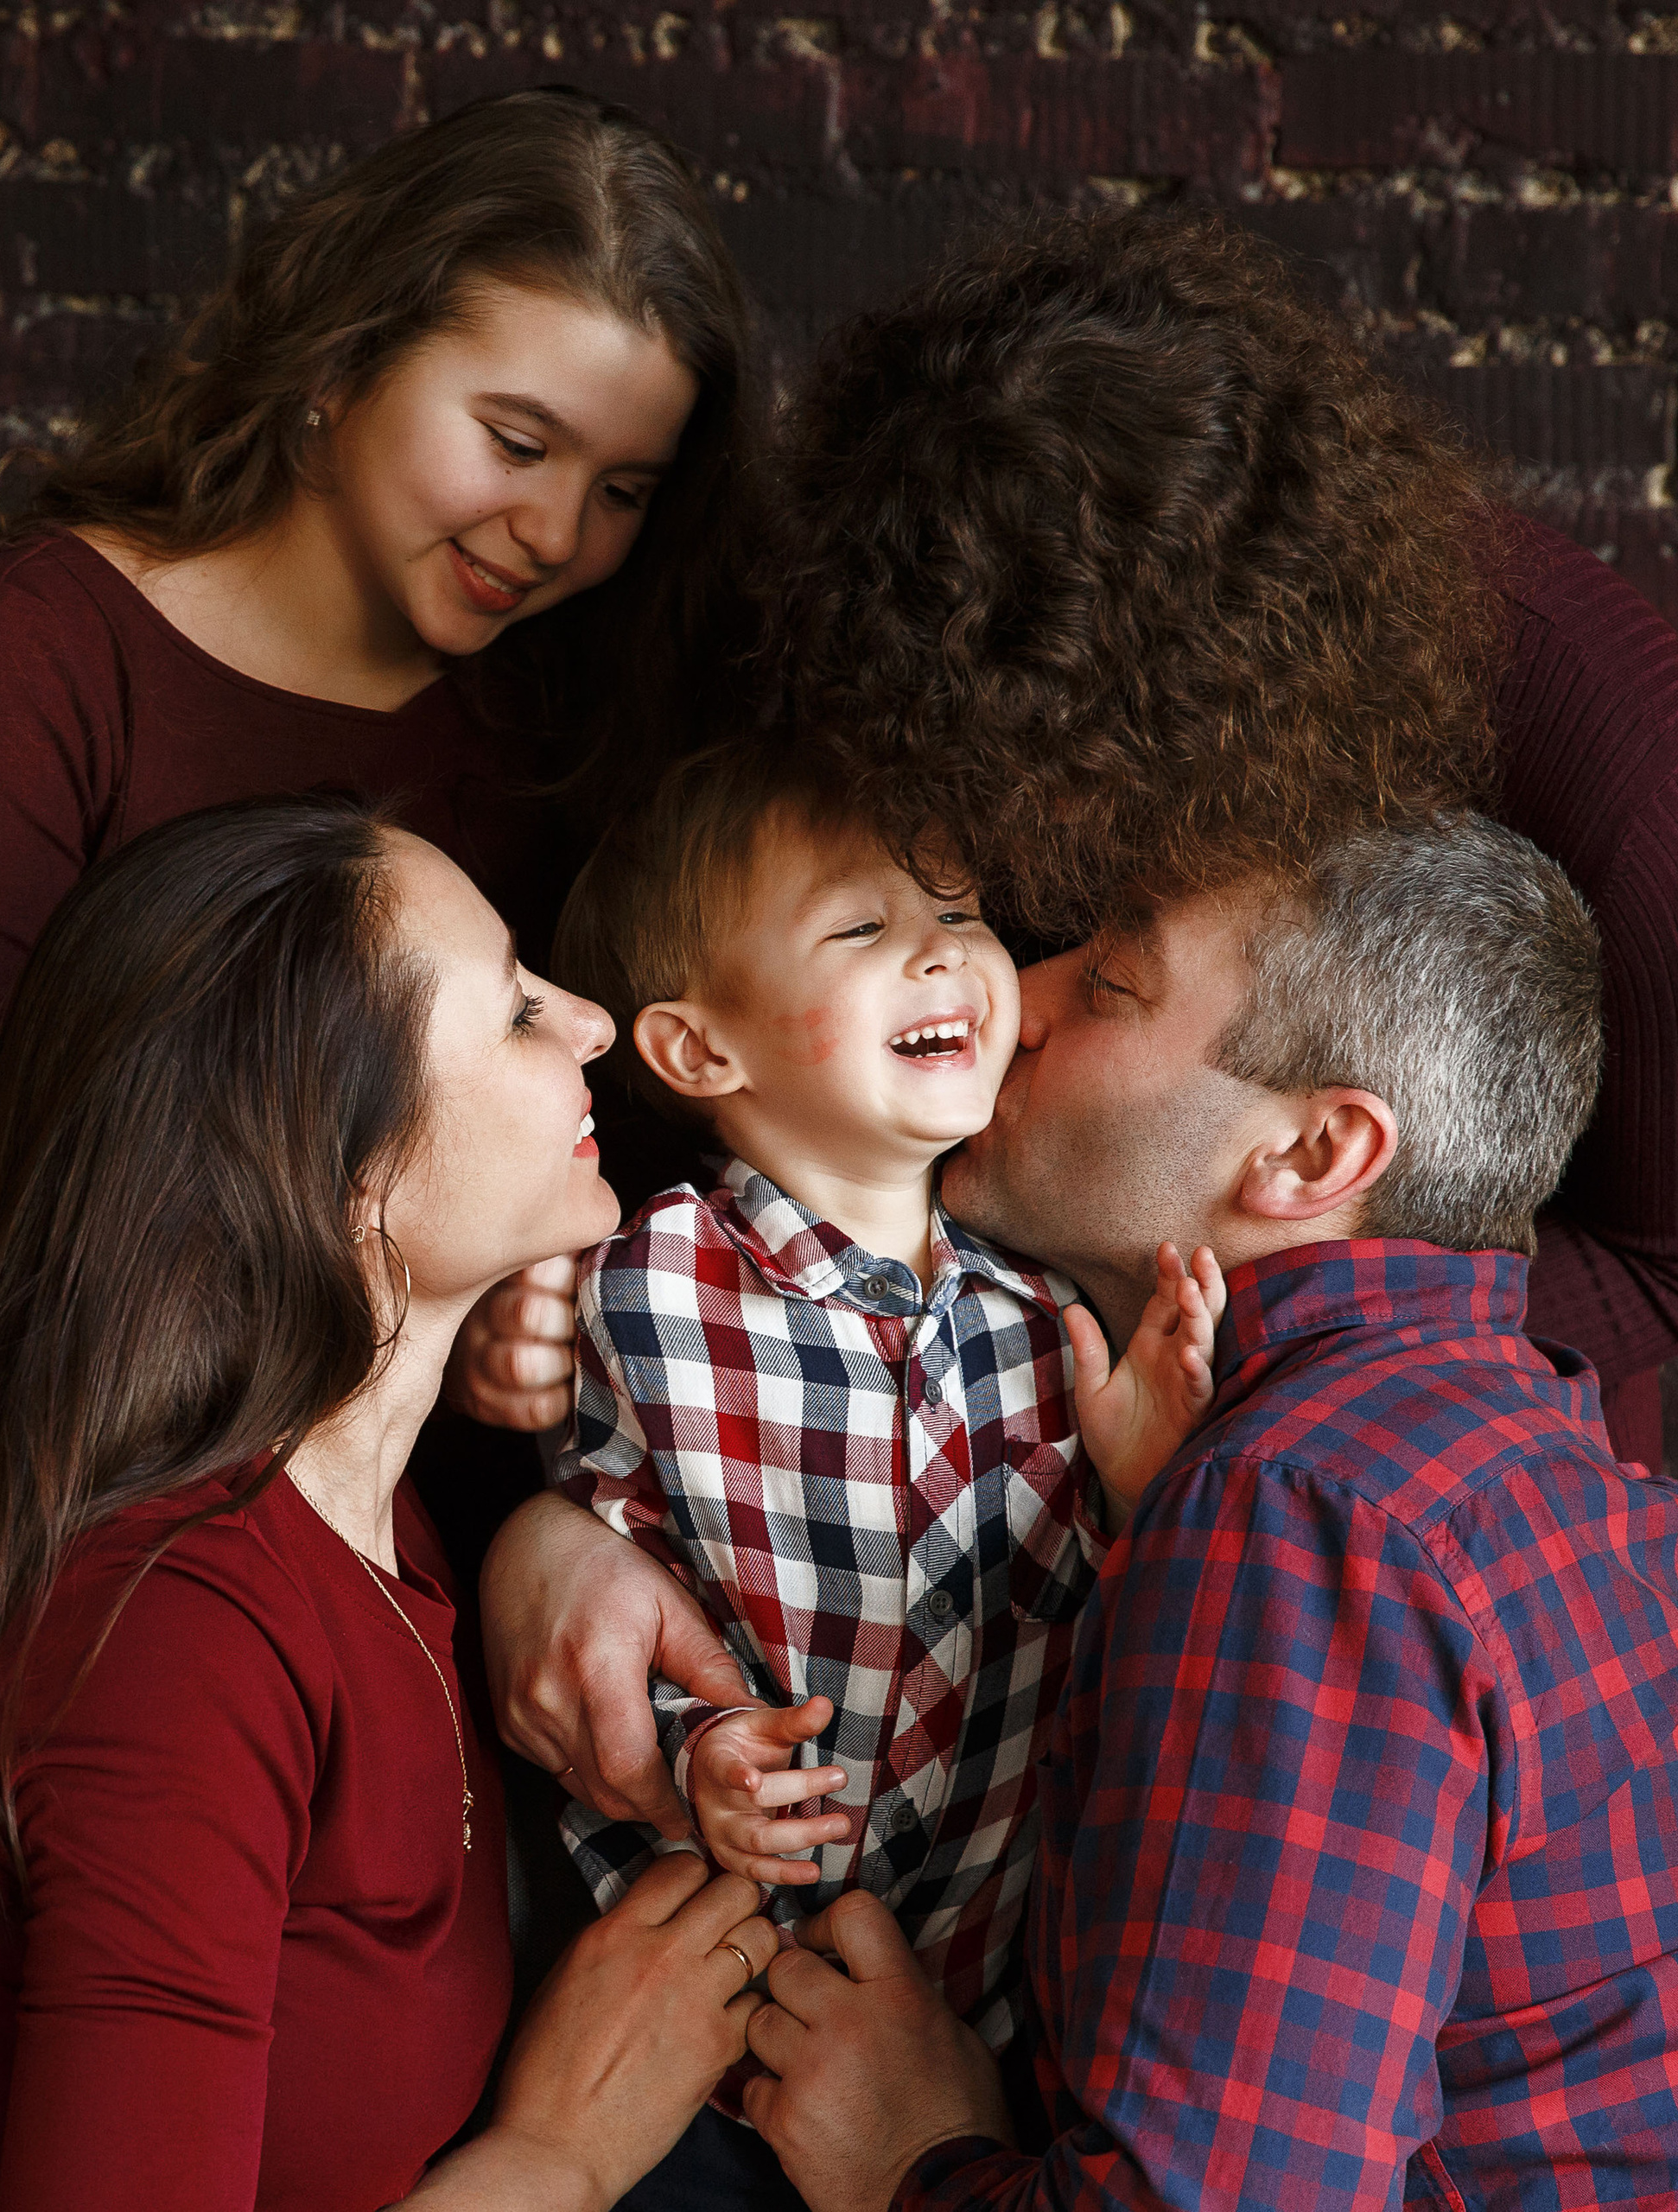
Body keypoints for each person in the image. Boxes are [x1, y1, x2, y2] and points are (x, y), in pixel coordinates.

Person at [474, 201, 1678, 1854]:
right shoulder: (910, 646)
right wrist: (568, 1533)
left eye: (1088, 928)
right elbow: (766, 1078)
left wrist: (1208, 1324)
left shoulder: (1594, 720)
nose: (1000, 975)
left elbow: (1665, 1277)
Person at [0, 798, 783, 2212]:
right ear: (344, 1176)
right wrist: (559, 2153)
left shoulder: (365, 1530)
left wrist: (544, 1543)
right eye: (513, 1009)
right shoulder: (170, 1635)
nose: (590, 1024)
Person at [0, 86, 759, 1585]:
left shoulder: (586, 709)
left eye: (621, 493)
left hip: (534, 1564)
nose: (554, 533)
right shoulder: (43, 657)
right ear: (340, 362)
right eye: (516, 441)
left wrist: (553, 1349)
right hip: (129, 1550)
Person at [735, 816, 1678, 2212]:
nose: (1014, 995)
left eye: (1107, 983)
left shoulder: (1302, 1515)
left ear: (1310, 1153)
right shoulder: (1556, 1463)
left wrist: (911, 2161)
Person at [538, 744, 1224, 2205]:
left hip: (973, 2015)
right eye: (864, 930)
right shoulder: (641, 1281)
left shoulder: (1050, 1318)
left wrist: (1131, 1494)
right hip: (706, 2020)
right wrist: (692, 1746)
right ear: (697, 1051)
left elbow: (1064, 1645)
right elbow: (606, 1559)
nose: (946, 958)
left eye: (964, 914)